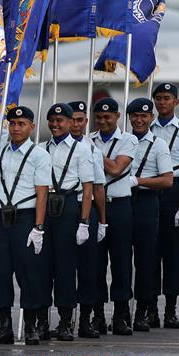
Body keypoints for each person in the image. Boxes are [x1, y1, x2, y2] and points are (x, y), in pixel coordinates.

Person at [0, 106, 51, 345]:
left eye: (22, 124)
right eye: (13, 124)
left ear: (31, 127)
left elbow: (42, 194)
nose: (16, 128)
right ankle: (5, 325)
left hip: (25, 217)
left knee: (29, 273)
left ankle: (29, 326)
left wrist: (38, 227)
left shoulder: (39, 155)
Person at [38, 103, 94, 341]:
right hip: (45, 205)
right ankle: (41, 320)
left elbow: (89, 187)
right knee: (41, 266)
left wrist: (84, 221)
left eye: (60, 120)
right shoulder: (41, 149)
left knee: (65, 267)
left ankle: (64, 321)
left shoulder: (83, 150)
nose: (55, 124)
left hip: (69, 206)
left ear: (72, 122)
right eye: (51, 120)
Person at [91, 97, 138, 335]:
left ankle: (121, 314)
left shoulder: (128, 140)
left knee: (121, 262)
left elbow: (116, 168)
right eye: (99, 117)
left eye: (108, 117)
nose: (103, 121)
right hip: (94, 207)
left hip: (119, 206)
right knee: (96, 263)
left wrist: (92, 153)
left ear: (117, 117)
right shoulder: (89, 139)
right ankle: (97, 314)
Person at [126, 98, 173, 331]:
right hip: (122, 202)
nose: (139, 120)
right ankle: (122, 312)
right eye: (135, 115)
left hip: (146, 201)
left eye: (144, 116)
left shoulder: (159, 144)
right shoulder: (123, 141)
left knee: (146, 260)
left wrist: (139, 181)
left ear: (151, 118)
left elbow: (167, 180)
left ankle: (144, 310)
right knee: (121, 259)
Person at [68, 100, 108, 338]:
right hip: (60, 211)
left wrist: (101, 221)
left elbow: (98, 187)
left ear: (86, 122)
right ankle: (62, 319)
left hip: (86, 212)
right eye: (71, 119)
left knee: (88, 269)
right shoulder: (48, 147)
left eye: (80, 120)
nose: (75, 124)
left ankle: (85, 319)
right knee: (61, 269)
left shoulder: (92, 149)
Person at [150, 82, 179, 328]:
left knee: (172, 253)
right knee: (149, 252)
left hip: (175, 192)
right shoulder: (145, 127)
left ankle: (170, 309)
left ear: (176, 102)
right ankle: (149, 307)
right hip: (150, 190)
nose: (162, 102)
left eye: (167, 98)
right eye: (159, 98)